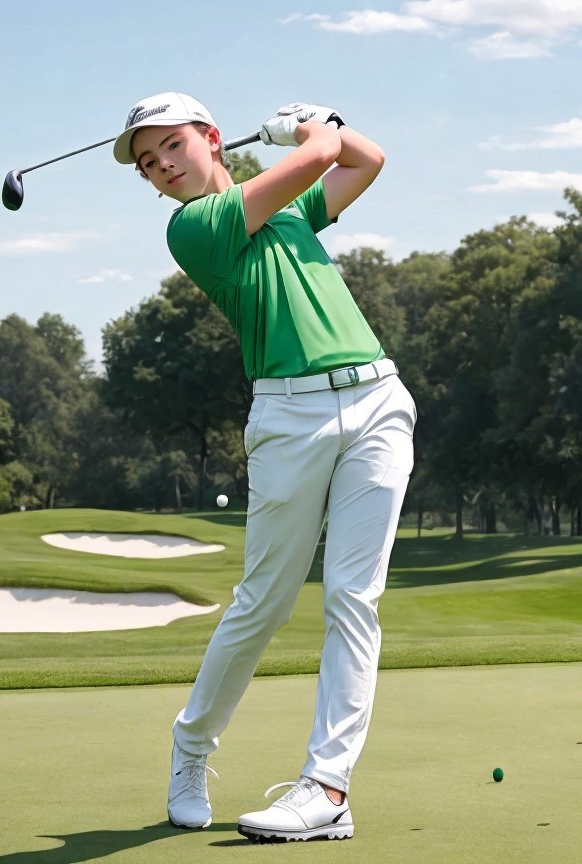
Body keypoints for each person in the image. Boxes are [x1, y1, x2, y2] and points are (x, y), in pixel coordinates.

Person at [113, 92, 416, 843]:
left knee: (354, 599)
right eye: (148, 163)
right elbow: (324, 155)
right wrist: (311, 133)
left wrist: (325, 123)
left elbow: (367, 160)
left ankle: (328, 788)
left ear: (212, 139)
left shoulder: (287, 212)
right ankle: (191, 748)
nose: (162, 166)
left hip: (378, 400)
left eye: (172, 145)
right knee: (265, 601)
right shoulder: (195, 227)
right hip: (290, 418)